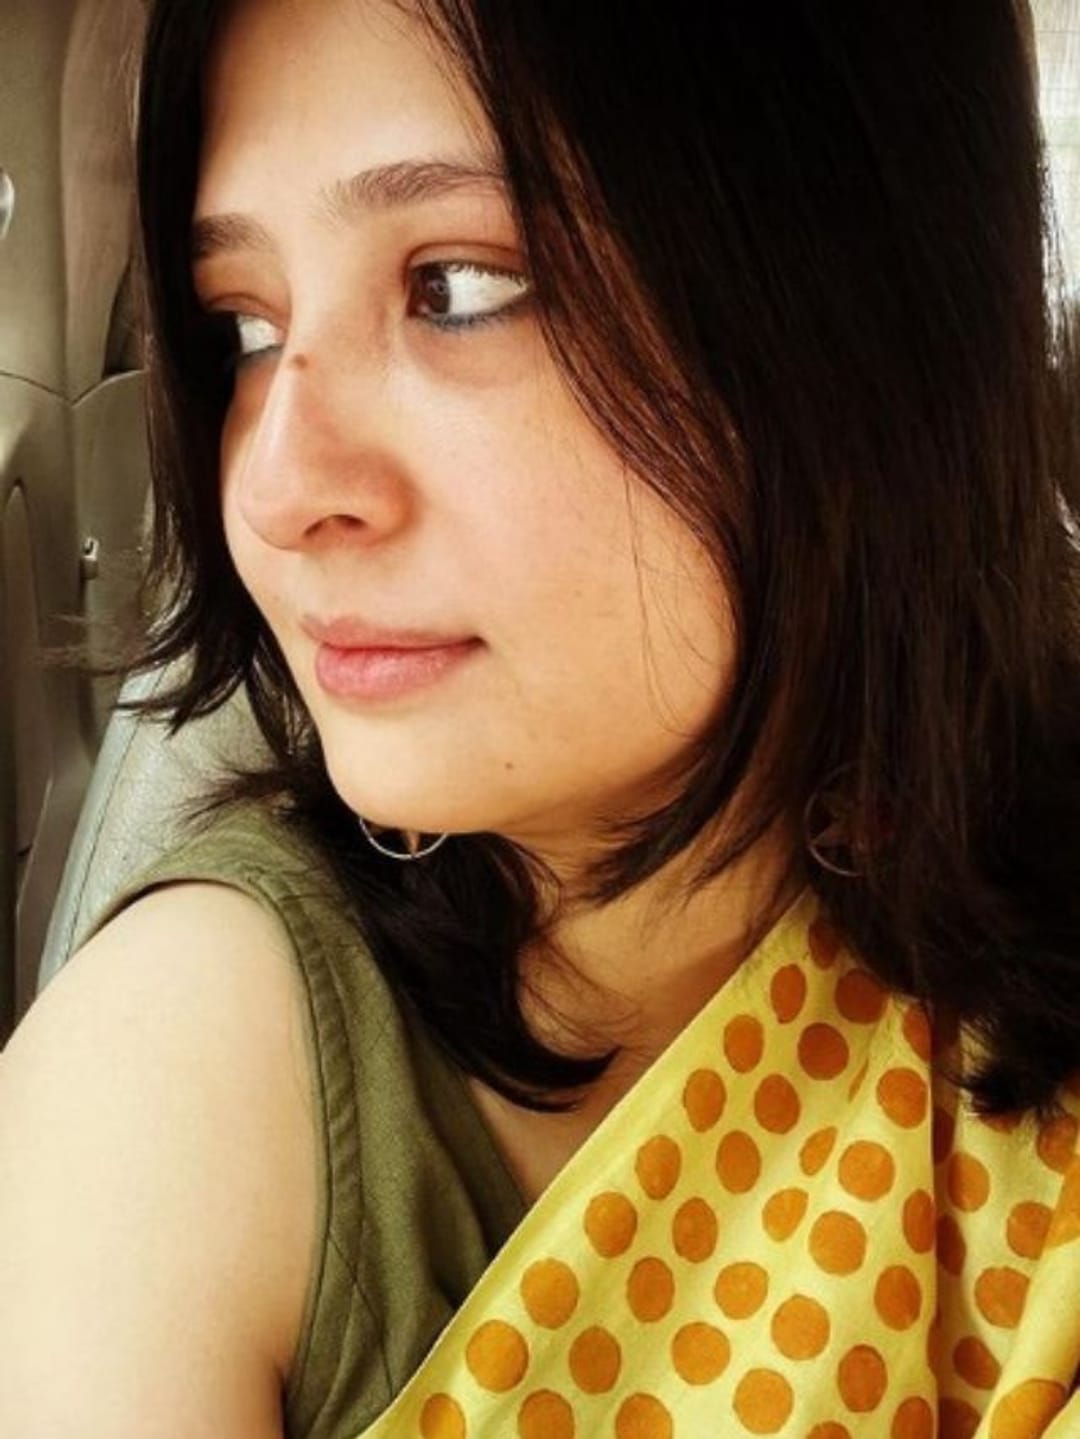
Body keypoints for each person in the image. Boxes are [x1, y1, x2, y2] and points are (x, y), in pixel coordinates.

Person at [2, 0, 1079, 1434]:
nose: (275, 487)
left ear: (866, 315)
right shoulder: (167, 1083)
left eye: (455, 288)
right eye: (244, 328)